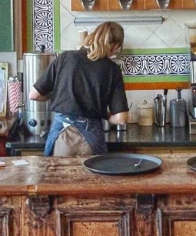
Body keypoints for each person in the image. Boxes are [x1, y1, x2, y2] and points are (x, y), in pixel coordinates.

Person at [29, 21, 129, 156]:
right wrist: (105, 115)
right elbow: (121, 118)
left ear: (93, 36)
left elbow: (33, 95)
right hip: (91, 140)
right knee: (93, 171)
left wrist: (55, 96)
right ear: (116, 47)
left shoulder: (65, 57)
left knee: (59, 170)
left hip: (62, 138)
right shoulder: (113, 69)